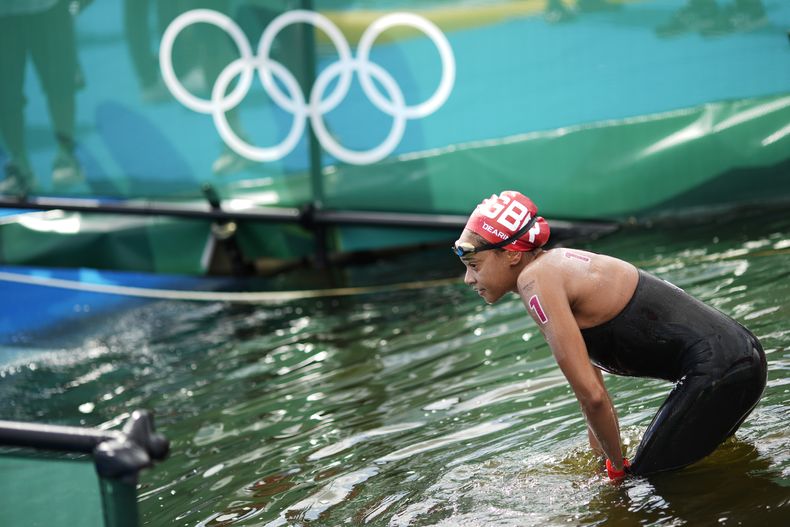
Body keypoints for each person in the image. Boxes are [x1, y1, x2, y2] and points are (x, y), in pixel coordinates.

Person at [452, 190, 767, 478]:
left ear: (511, 254)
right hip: (738, 360)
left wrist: (617, 472)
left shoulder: (536, 281)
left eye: (474, 264)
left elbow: (594, 397)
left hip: (722, 370)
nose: (468, 279)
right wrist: (602, 462)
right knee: (707, 472)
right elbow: (590, 395)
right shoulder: (551, 271)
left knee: (644, 486)